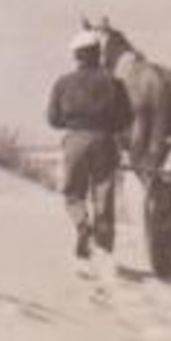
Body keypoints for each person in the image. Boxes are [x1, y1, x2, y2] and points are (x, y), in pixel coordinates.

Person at [47, 29, 134, 259]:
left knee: (74, 193)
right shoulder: (115, 83)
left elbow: (53, 119)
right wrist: (108, 128)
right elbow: (127, 118)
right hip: (104, 140)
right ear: (98, 53)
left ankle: (82, 225)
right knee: (103, 194)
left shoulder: (62, 83)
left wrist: (73, 122)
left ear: (76, 56)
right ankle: (104, 249)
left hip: (75, 140)